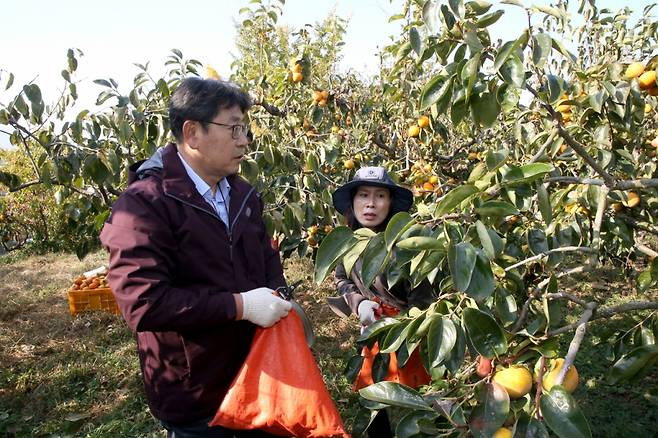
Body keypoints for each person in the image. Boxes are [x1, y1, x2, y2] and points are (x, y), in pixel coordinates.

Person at [100, 77, 292, 438]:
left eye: (245, 128)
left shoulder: (243, 195)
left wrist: (279, 296)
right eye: (234, 128)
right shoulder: (145, 204)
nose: (244, 140)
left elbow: (265, 257)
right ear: (192, 133)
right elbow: (144, 303)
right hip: (196, 391)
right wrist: (239, 306)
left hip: (255, 376)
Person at [328, 166, 436, 438]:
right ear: (353, 202)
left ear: (390, 203)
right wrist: (359, 303)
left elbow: (422, 290)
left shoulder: (405, 242)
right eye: (363, 195)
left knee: (421, 397)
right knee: (374, 395)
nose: (371, 204)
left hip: (408, 329)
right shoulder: (347, 242)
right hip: (373, 328)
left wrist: (411, 323)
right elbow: (341, 279)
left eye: (380, 196)